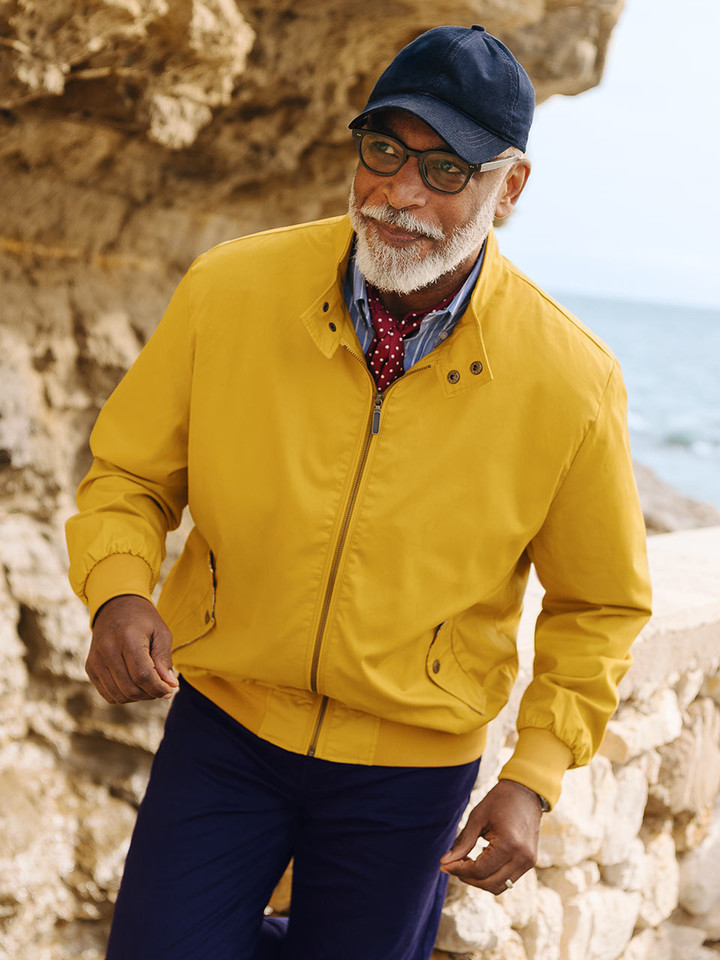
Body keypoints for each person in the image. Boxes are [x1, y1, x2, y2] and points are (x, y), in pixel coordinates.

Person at [65, 23, 652, 960]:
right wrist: (120, 588)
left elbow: (598, 604)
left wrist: (532, 775)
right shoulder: (229, 289)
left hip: (411, 777)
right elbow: (131, 475)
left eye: (447, 170)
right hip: (226, 734)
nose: (401, 193)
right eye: (385, 149)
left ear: (510, 189)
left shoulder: (573, 382)